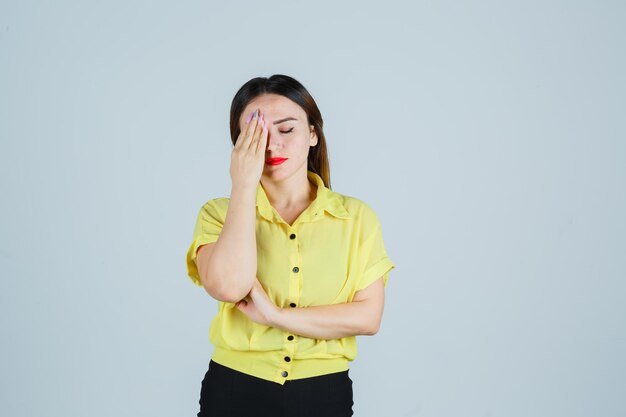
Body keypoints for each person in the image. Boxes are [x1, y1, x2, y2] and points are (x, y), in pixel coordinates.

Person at [185, 74, 395, 417]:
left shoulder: (356, 217)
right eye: (256, 134)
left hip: (324, 392)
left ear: (313, 133)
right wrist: (242, 185)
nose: (271, 145)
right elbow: (228, 286)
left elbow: (368, 317)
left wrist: (275, 316)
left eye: (286, 129)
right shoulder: (218, 213)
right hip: (235, 387)